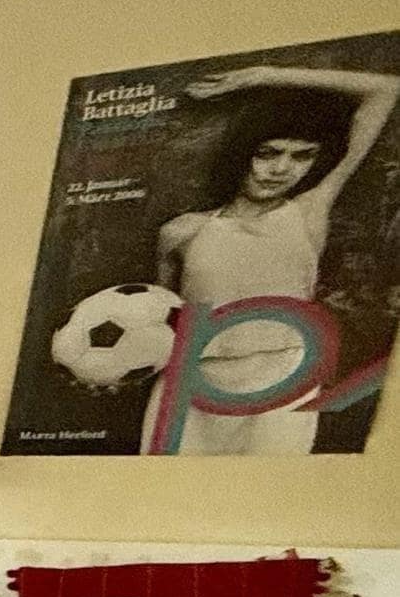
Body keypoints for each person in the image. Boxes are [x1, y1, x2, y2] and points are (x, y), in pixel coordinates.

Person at [148, 62, 397, 454]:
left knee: (271, 489)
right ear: (241, 153)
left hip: (283, 381)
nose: (281, 169)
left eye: (302, 156)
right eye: (267, 153)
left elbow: (386, 89)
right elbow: (158, 323)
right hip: (190, 391)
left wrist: (263, 75)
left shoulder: (308, 212)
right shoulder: (181, 232)